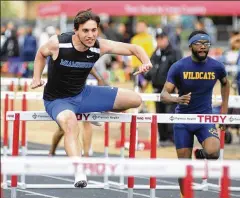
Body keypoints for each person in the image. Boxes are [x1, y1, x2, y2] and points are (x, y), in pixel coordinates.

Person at [30, 9, 152, 188]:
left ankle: (92, 108)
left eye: (94, 30)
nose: (90, 35)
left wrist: (146, 61)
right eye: (86, 31)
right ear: (76, 31)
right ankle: (79, 169)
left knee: (135, 100)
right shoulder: (59, 43)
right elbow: (41, 53)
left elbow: (133, 48)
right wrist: (36, 77)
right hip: (57, 100)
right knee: (70, 124)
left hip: (84, 94)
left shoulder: (99, 46)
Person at [160, 30, 230, 198]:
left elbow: (226, 84)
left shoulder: (217, 67)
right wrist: (178, 100)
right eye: (199, 44)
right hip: (183, 120)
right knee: (184, 165)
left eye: (206, 44)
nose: (203, 47)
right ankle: (185, 197)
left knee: (213, 152)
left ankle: (200, 153)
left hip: (205, 118)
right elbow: (163, 95)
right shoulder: (179, 67)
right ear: (190, 45)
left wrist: (224, 111)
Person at [49, 67, 107, 157]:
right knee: (62, 129)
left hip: (84, 93)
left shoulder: (86, 60)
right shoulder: (65, 60)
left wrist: (99, 80)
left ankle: (86, 155)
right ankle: (52, 151)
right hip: (67, 95)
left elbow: (95, 73)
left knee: (87, 122)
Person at [144, 28, 182, 147]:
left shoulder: (175, 52)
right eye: (158, 39)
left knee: (170, 113)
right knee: (159, 114)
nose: (160, 41)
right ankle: (163, 137)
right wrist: (146, 78)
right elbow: (150, 69)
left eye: (162, 38)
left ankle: (173, 138)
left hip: (171, 89)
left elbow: (179, 69)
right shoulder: (156, 52)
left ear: (167, 38)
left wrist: (178, 86)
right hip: (157, 89)